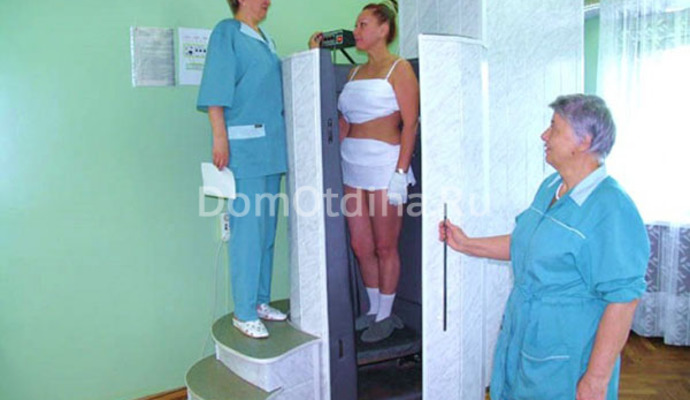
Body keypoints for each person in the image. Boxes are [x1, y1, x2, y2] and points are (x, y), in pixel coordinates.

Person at [439, 94, 649, 399]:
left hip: (568, 350)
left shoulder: (611, 208)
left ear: (583, 141)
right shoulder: (552, 186)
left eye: (554, 128)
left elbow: (624, 298)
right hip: (526, 333)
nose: (544, 135)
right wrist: (467, 244)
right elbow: (527, 245)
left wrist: (596, 379)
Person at [309, 0, 419, 343]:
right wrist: (315, 58)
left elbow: (410, 123)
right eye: (356, 25)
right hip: (352, 165)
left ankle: (386, 314)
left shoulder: (399, 68)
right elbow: (344, 122)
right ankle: (373, 309)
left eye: (363, 25)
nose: (356, 31)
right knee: (360, 245)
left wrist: (401, 172)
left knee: (386, 245)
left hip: (385, 166)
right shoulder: (355, 73)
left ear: (383, 29)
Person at [197, 0, 287, 339]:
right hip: (244, 149)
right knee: (248, 233)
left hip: (271, 149)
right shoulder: (228, 33)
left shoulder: (265, 40)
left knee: (266, 232)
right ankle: (244, 312)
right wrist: (219, 138)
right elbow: (216, 90)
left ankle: (260, 301)